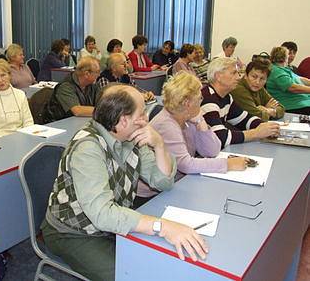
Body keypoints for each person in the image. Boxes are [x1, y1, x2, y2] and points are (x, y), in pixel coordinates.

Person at [41, 84, 208, 281]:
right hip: (73, 233)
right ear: (122, 120)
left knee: (162, 263)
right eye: (142, 113)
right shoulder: (88, 149)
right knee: (133, 276)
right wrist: (162, 226)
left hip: (109, 224)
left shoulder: (130, 136)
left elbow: (162, 182)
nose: (147, 119)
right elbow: (102, 214)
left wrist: (159, 145)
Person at [151, 72, 247, 177]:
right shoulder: (166, 125)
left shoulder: (188, 117)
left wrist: (201, 122)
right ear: (188, 103)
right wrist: (227, 164)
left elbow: (212, 151)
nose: (201, 101)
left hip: (180, 180)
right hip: (158, 191)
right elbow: (185, 165)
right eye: (200, 98)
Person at [201, 57, 280, 149]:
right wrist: (256, 133)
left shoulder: (226, 97)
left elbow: (244, 119)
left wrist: (267, 127)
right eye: (234, 73)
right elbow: (220, 137)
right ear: (218, 76)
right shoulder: (207, 99)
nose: (238, 77)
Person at [0, 59, 33, 139]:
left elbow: (28, 122)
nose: (0, 80)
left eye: (3, 75)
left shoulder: (20, 95)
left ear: (9, 75)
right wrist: (9, 142)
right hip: (0, 143)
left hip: (23, 138)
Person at [43, 56, 100, 122]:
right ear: (87, 74)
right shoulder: (65, 87)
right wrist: (103, 112)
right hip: (60, 125)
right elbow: (78, 111)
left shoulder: (92, 85)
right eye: (97, 72)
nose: (99, 75)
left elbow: (102, 102)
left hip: (79, 122)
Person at [266, 46, 310, 115]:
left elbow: (301, 79)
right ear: (285, 57)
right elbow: (293, 88)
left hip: (302, 102)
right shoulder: (276, 71)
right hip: (293, 105)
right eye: (289, 54)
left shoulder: (284, 69)